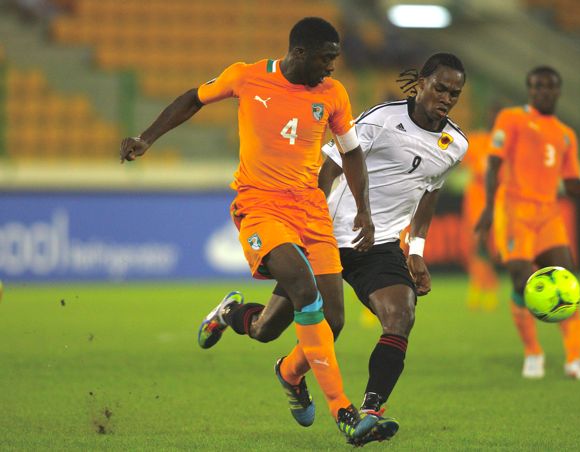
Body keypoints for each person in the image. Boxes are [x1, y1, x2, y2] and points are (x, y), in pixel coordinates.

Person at [120, 17, 381, 444]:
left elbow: (351, 154)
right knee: (301, 283)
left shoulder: (332, 94)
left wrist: (364, 212)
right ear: (299, 54)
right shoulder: (246, 76)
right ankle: (345, 412)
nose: (332, 68)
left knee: (318, 323)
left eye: (335, 59)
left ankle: (268, 353)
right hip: (260, 205)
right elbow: (193, 98)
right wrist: (147, 138)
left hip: (310, 211)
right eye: (325, 59)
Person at [212, 53, 468, 433]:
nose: (446, 98)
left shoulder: (456, 144)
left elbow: (429, 191)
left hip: (378, 244)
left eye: (455, 93)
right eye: (440, 88)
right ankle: (232, 317)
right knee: (270, 329)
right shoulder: (382, 119)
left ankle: (371, 410)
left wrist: (416, 251)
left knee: (401, 316)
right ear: (420, 85)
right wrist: (305, 224)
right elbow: (330, 167)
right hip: (327, 232)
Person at [475, 66, 580, 380]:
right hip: (514, 211)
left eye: (549, 87)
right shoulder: (512, 118)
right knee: (520, 281)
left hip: (547, 216)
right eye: (537, 86)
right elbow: (493, 165)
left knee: (566, 281)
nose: (543, 91)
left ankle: (574, 359)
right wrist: (489, 209)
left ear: (558, 90)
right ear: (529, 89)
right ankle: (533, 352)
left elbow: (571, 184)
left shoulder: (566, 135)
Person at [461, 105, 502, 311]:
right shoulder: (476, 141)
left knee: (491, 247)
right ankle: (478, 286)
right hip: (476, 201)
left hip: (497, 200)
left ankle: (490, 287)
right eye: (492, 115)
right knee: (477, 243)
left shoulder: (506, 145)